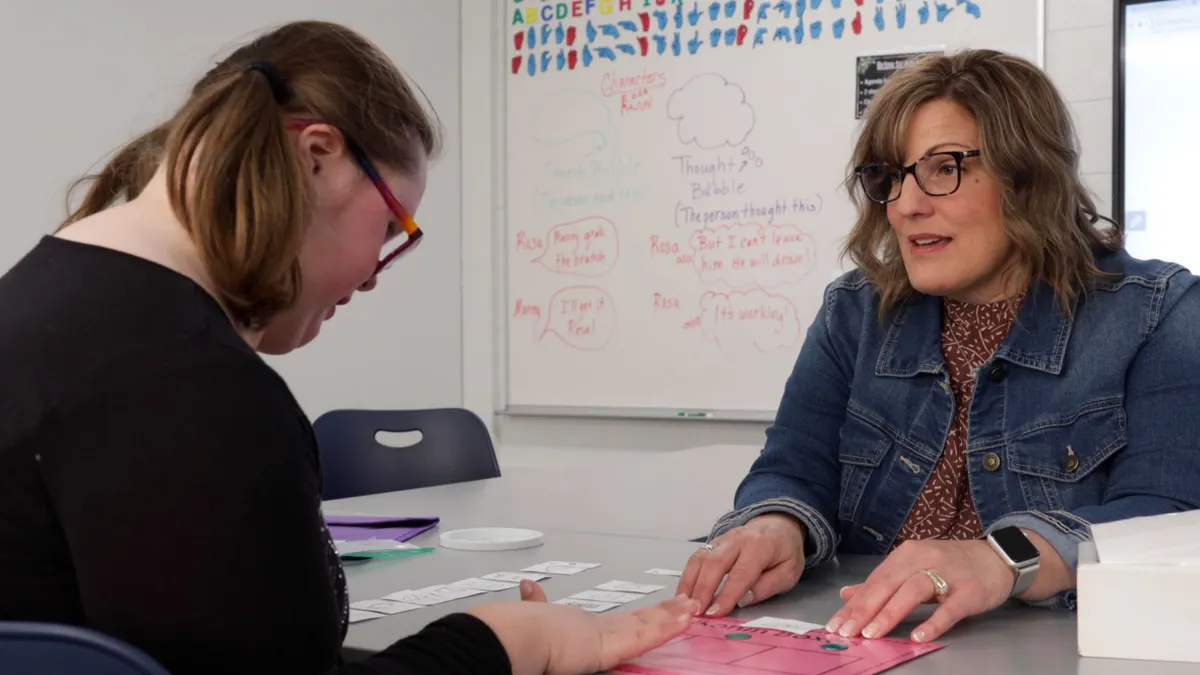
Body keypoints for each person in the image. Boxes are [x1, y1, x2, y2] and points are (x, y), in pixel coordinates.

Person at [0, 20, 697, 675]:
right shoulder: (198, 391)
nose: (371, 275)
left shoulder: (36, 304)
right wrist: (511, 642)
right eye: (392, 228)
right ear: (316, 156)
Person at [677, 48, 1200, 644]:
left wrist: (1002, 558)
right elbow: (792, 468)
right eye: (890, 177)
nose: (905, 205)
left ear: (1028, 176)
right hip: (865, 642)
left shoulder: (1161, 314)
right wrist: (774, 524)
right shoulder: (854, 311)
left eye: (945, 167)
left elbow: (1167, 521)